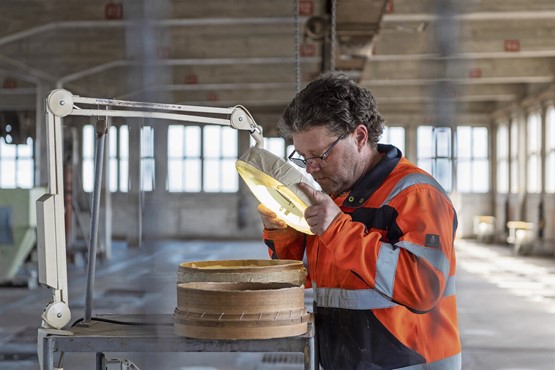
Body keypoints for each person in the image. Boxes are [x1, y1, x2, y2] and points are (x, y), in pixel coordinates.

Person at [258, 72, 461, 369]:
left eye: (320, 155)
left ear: (360, 136)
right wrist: (283, 232)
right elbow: (305, 280)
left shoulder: (416, 194)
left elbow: (423, 289)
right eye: (302, 157)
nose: (311, 169)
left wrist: (338, 230)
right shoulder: (333, 195)